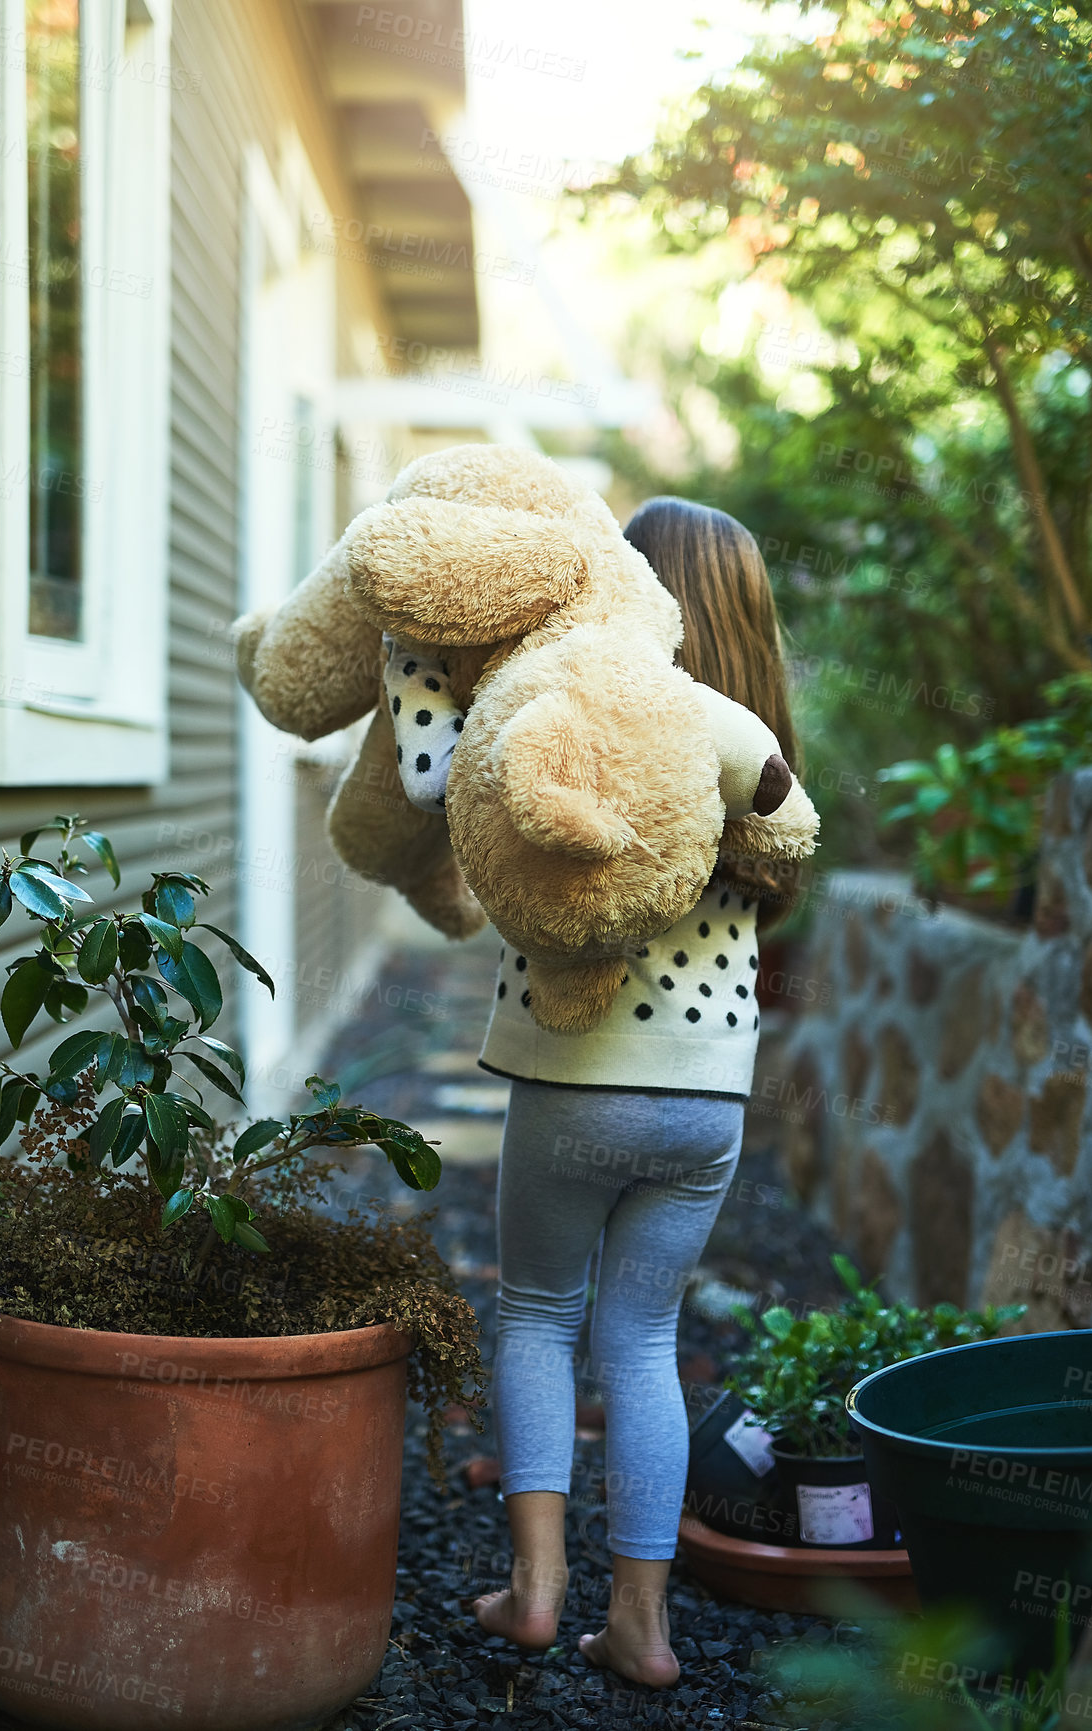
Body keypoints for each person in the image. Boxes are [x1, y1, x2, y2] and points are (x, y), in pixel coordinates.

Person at [382, 495, 804, 1689]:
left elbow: (438, 784)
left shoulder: (575, 713)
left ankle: (534, 1589)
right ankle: (644, 1624)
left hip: (574, 1079)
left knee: (539, 1315)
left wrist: (412, 646)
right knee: (647, 1337)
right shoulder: (754, 745)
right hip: (706, 1099)